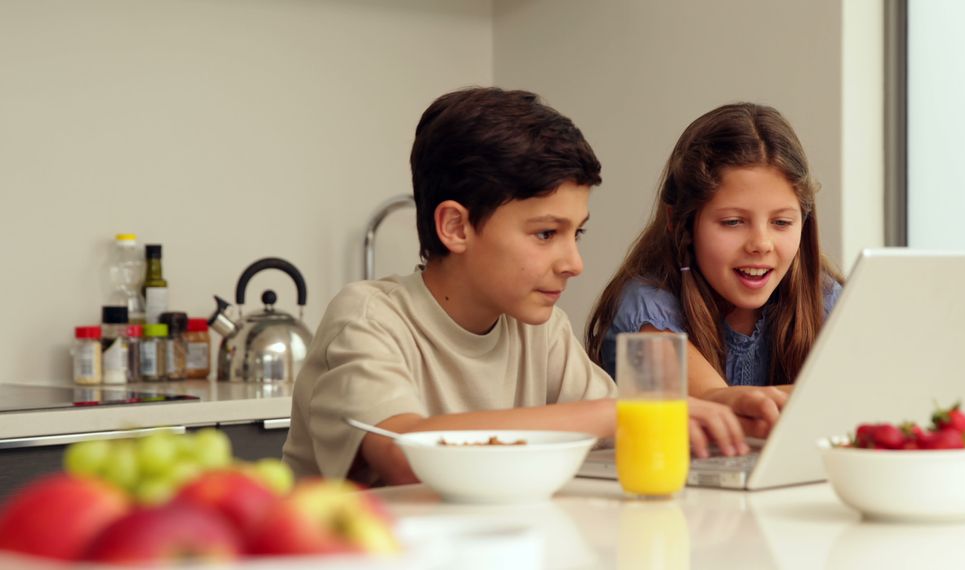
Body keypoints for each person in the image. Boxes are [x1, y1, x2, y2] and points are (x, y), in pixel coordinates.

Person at [283, 88, 748, 486]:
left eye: (576, 233)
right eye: (546, 234)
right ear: (456, 227)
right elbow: (403, 451)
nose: (574, 263)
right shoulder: (368, 318)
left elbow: (616, 431)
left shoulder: (542, 332)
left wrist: (732, 413)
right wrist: (620, 413)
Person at [585, 102, 843, 438]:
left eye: (781, 222)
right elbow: (715, 405)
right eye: (733, 222)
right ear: (681, 223)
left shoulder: (822, 298)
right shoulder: (647, 306)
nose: (761, 243)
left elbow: (870, 389)